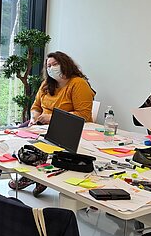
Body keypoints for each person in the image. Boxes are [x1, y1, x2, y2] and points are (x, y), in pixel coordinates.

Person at [10, 51, 95, 196]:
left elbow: (84, 115)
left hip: (67, 129)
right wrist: (33, 117)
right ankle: (34, 176)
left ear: (65, 64)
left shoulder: (78, 84)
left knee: (40, 147)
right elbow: (36, 106)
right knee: (17, 139)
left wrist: (51, 118)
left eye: (55, 64)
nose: (51, 68)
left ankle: (37, 177)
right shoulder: (47, 84)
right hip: (41, 125)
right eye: (48, 65)